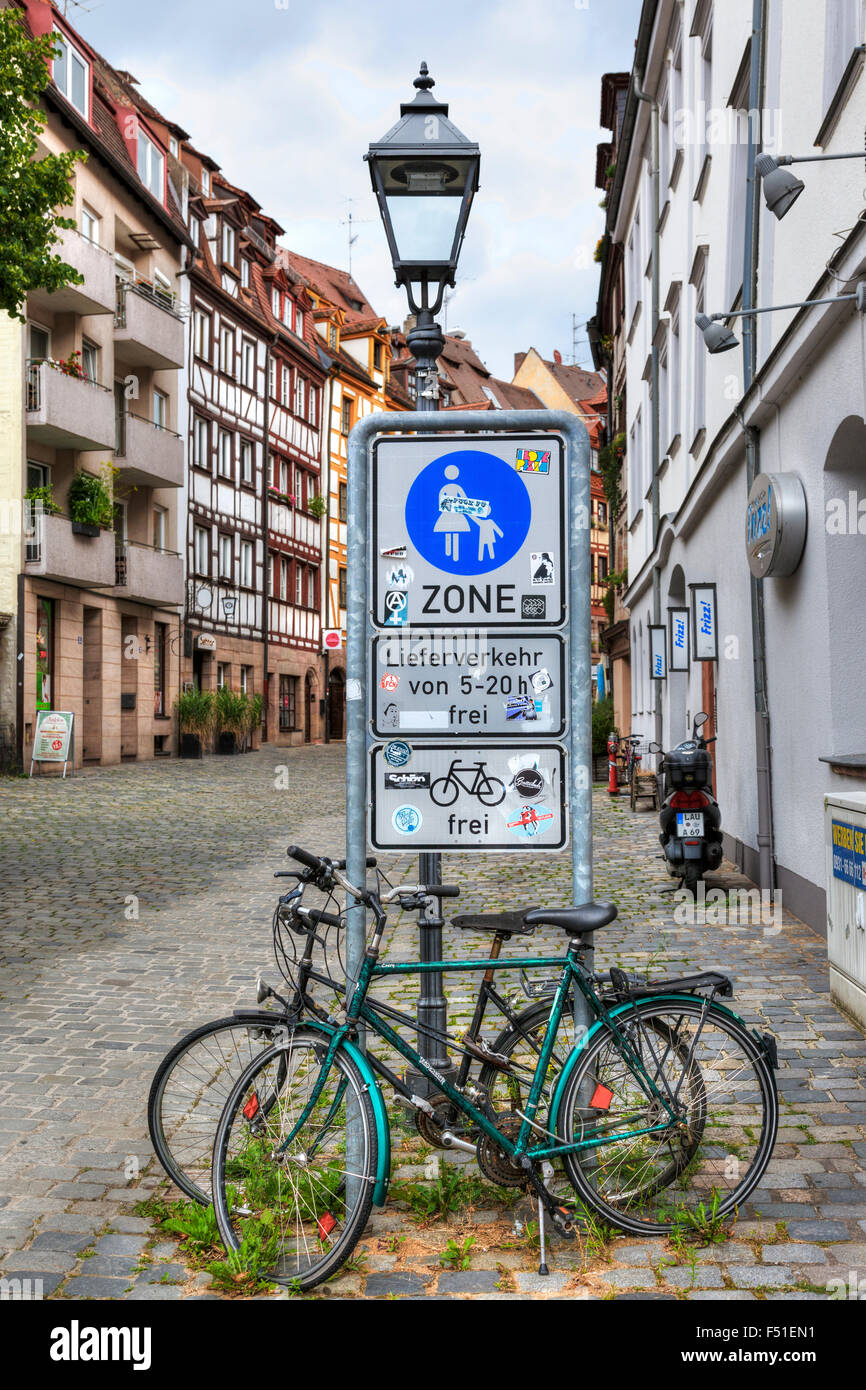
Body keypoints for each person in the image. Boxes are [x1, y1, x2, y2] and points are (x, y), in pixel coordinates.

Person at [434, 464, 470, 562]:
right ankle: (450, 554)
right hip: (454, 511)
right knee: (452, 531)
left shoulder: (447, 487)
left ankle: (451, 553)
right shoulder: (455, 487)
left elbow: (441, 499)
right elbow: (464, 498)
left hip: (449, 510)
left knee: (452, 532)